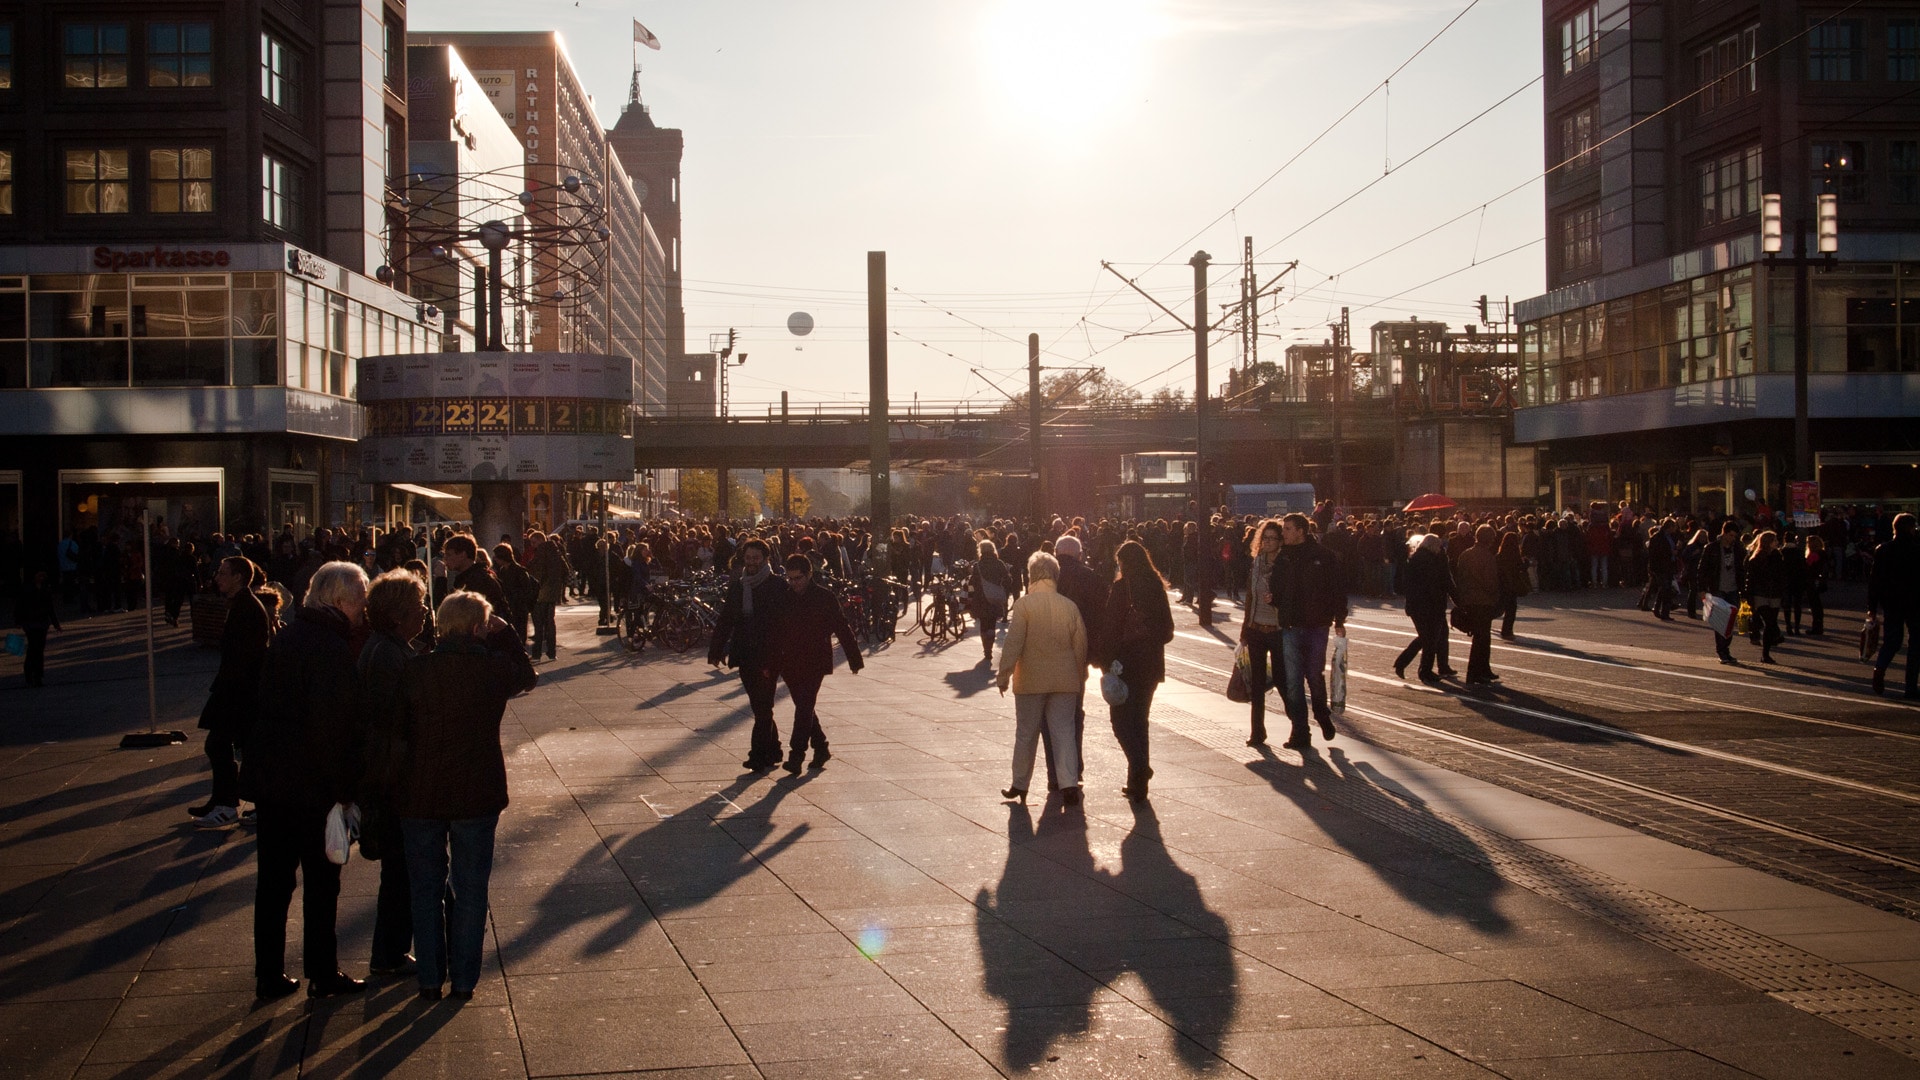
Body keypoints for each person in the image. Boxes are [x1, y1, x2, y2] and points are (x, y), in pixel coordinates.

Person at [396, 590, 535, 1001]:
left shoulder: (416, 670)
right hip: (477, 790)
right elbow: (527, 676)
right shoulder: (492, 670)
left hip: (421, 792)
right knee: (471, 887)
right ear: (479, 628)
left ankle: (428, 977)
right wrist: (506, 633)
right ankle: (463, 980)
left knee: (425, 887)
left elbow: (398, 730)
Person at [243, 561, 370, 1001]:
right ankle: (321, 970)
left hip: (273, 781)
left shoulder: (289, 636)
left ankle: (268, 973)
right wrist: (346, 789)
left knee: (274, 882)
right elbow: (334, 727)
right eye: (360, 601)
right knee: (321, 882)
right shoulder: (330, 648)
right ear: (339, 601)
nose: (363, 610)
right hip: (312, 785)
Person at [357, 569, 431, 982]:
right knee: (402, 871)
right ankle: (389, 953)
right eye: (419, 605)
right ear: (399, 614)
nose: (425, 612)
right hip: (394, 780)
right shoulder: (388, 654)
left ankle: (391, 951)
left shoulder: (390, 647)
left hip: (391, 775)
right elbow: (394, 719)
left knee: (402, 871)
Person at [994, 552, 1087, 808]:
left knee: (1026, 733)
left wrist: (1004, 675)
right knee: (1064, 732)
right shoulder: (1069, 606)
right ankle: (1069, 784)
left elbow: (1013, 644)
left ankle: (1020, 784)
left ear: (1032, 574)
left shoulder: (1024, 606)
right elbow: (1080, 646)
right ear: (1056, 575)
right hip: (1064, 680)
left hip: (1031, 680)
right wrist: (1079, 676)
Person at [765, 553, 863, 774]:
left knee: (804, 707)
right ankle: (821, 747)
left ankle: (796, 755)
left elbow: (842, 627)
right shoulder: (784, 598)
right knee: (804, 707)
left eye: (798, 578)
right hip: (789, 661)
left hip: (815, 660)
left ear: (809, 574)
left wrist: (854, 658)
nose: (794, 583)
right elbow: (775, 633)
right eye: (790, 578)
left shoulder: (824, 597)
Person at [190, 557, 270, 827]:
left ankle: (227, 804)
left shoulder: (246, 608)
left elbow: (243, 657)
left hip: (239, 692)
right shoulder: (240, 605)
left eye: (223, 573)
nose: (217, 577)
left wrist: (230, 691)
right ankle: (228, 801)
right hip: (238, 690)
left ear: (238, 577)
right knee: (240, 748)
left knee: (221, 745)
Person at [1093, 540, 1173, 803]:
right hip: (1150, 666)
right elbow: (1168, 631)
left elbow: (1110, 629)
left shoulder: (1121, 588)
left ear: (1124, 563)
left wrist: (1104, 660)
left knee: (1120, 722)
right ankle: (1137, 783)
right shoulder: (1156, 586)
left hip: (1125, 665)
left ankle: (1139, 767)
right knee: (1140, 722)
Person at [1268, 513, 1348, 749]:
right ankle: (1300, 732)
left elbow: (1337, 589)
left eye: (1288, 529)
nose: (1284, 533)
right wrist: (1274, 599)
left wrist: (1339, 619)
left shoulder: (1322, 556)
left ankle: (1321, 714)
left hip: (1316, 625)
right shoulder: (1283, 557)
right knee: (1293, 682)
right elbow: (1277, 587)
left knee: (1314, 675)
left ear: (1301, 531)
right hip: (1291, 626)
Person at [708, 540, 786, 770]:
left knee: (763, 707)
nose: (751, 563)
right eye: (748, 558)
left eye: (756, 558)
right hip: (745, 655)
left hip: (768, 656)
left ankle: (758, 755)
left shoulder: (777, 586)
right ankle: (774, 748)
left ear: (765, 559)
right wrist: (716, 650)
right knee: (759, 705)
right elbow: (726, 620)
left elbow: (783, 624)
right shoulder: (739, 586)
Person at [1239, 520, 1285, 747]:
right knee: (1256, 684)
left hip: (1278, 630)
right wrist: (1245, 628)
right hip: (1256, 628)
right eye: (1264, 538)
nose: (1267, 542)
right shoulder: (1256, 562)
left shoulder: (1285, 564)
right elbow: (1250, 596)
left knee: (1284, 682)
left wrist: (1277, 600)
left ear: (1280, 542)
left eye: (1272, 539)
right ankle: (1257, 732)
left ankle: (1299, 728)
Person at [1869, 513, 1920, 698]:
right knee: (1915, 644)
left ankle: (1880, 668)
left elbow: (1874, 581)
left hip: (1891, 601)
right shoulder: (1916, 550)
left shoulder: (1883, 550)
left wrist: (1872, 607)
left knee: (1892, 640)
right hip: (1914, 602)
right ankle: (1911, 686)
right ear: (1909, 528)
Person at [1393, 532, 1454, 684]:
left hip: (1416, 606)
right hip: (1431, 605)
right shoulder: (1433, 561)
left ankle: (1406, 664)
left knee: (1426, 637)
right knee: (1429, 639)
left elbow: (1405, 584)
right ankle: (1423, 670)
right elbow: (1439, 584)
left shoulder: (1413, 560)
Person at [1455, 524, 1501, 687]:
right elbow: (1490, 581)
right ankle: (1475, 672)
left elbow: (1459, 576)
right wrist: (1495, 596)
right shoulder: (1487, 556)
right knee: (1482, 637)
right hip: (1483, 600)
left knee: (1481, 636)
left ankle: (1483, 669)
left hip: (1469, 599)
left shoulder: (1466, 554)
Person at [1696, 520, 1747, 666]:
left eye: (1734, 536)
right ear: (1724, 533)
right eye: (1730, 535)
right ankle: (1722, 651)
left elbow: (1743, 568)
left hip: (1733, 588)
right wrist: (1702, 589)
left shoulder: (1738, 548)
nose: (1732, 538)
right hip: (1717, 589)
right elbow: (1702, 569)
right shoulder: (1711, 548)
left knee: (1731, 622)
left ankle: (1726, 649)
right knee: (1720, 622)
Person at [1743, 530, 1786, 665]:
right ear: (1769, 542)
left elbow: (1781, 575)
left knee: (1771, 622)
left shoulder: (1777, 556)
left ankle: (1766, 653)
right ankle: (1767, 651)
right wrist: (1748, 596)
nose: (1777, 543)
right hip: (1761, 593)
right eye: (1774, 540)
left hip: (1774, 593)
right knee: (1769, 621)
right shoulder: (1756, 558)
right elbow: (1750, 579)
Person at [968, 539, 1011, 664]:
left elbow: (973, 583)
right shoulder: (999, 563)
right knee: (992, 623)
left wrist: (971, 596)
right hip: (994, 598)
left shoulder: (978, 565)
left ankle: (986, 649)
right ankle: (990, 648)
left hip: (981, 599)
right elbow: (1008, 580)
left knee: (983, 623)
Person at [15, 570, 61, 688]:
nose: (41, 578)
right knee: (33, 648)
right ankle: (32, 674)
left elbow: (50, 607)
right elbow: (20, 605)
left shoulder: (44, 589)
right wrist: (19, 621)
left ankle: (36, 675)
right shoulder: (28, 590)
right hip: (31, 622)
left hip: (41, 622)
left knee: (38, 649)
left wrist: (55, 623)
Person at [528, 532, 570, 661]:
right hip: (552, 592)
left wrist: (534, 584)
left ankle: (536, 654)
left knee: (539, 624)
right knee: (550, 623)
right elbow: (565, 570)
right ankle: (552, 653)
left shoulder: (541, 552)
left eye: (534, 542)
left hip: (540, 593)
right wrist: (558, 585)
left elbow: (538, 572)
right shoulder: (556, 552)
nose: (532, 545)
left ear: (540, 540)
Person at [443, 535, 508, 617]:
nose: (445, 558)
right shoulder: (475, 577)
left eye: (449, 554)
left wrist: (440, 580)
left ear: (463, 555)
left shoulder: (477, 581)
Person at [1496, 530, 1529, 639]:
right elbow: (1521, 568)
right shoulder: (1515, 555)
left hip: (1501, 584)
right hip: (1512, 585)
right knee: (1511, 609)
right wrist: (1526, 563)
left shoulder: (1499, 555)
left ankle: (1484, 622)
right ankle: (1507, 630)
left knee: (1499, 607)